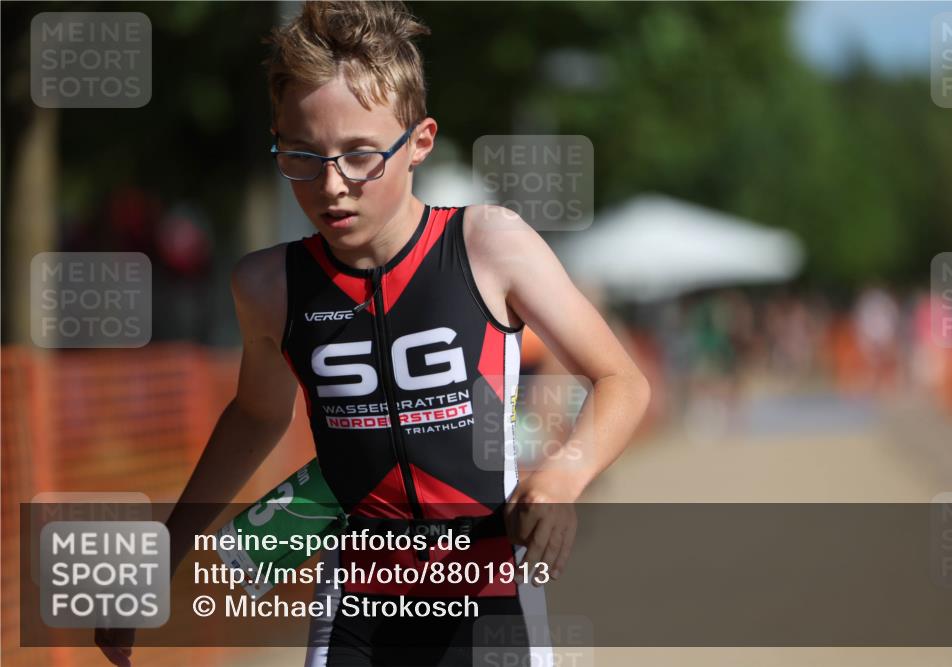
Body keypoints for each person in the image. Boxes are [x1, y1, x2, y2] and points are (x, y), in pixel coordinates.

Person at [96, 2, 649, 665]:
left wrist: (562, 477)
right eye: (301, 155)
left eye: (360, 155)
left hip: (489, 590)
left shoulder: (489, 244)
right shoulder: (269, 286)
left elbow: (622, 380)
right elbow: (257, 414)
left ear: (419, 142)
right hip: (356, 601)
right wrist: (160, 558)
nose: (332, 185)